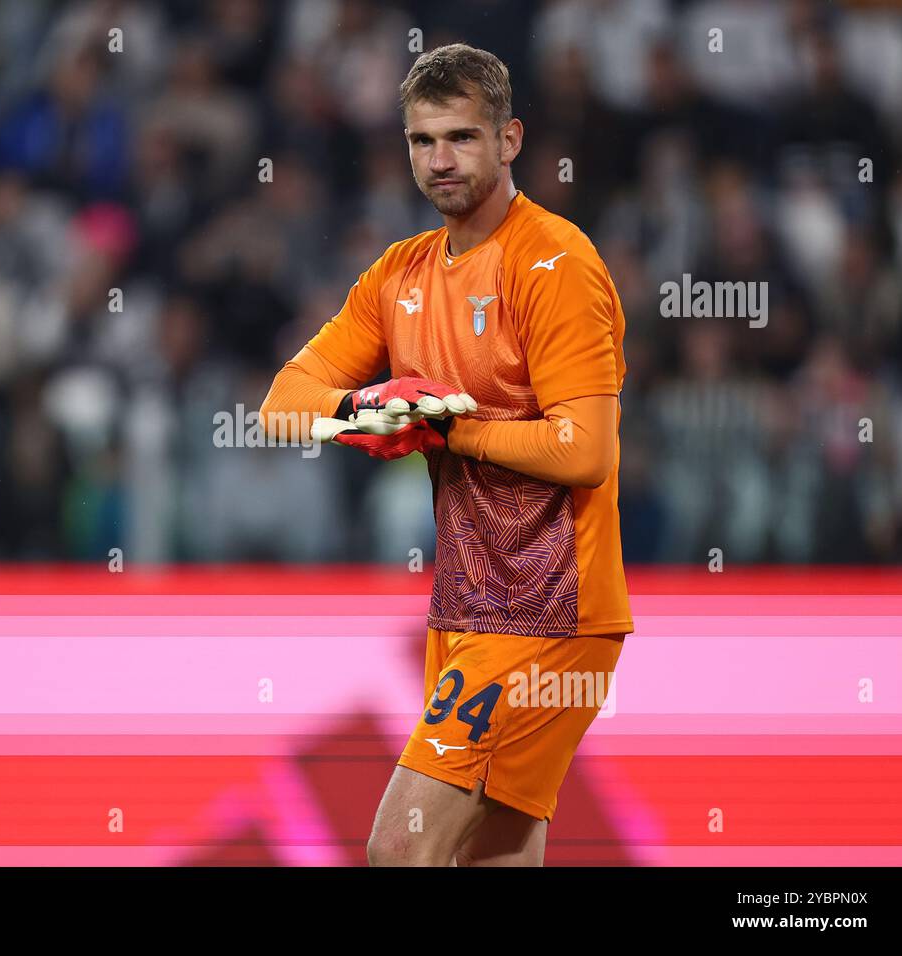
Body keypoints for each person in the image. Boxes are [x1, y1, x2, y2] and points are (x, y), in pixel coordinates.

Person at [259, 43, 632, 866]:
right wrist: (367, 409)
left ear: (511, 140)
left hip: (548, 608)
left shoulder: (555, 264)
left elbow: (586, 451)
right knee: (491, 856)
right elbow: (283, 408)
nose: (441, 160)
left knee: (402, 848)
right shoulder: (400, 274)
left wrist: (445, 428)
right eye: (423, 141)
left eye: (462, 137)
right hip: (469, 605)